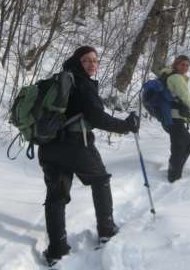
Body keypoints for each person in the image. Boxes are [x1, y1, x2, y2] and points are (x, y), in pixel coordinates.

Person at [38, 46, 139, 266]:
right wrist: (126, 126)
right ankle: (106, 229)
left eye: (95, 60)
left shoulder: (61, 81)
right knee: (100, 180)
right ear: (77, 62)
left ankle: (57, 250)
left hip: (49, 147)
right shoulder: (82, 84)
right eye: (86, 60)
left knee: (56, 196)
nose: (92, 64)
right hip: (76, 146)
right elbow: (97, 117)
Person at [159, 55, 190, 183]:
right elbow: (186, 98)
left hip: (171, 117)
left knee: (187, 143)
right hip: (174, 117)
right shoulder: (176, 78)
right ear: (176, 65)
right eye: (182, 64)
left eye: (187, 65)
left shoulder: (170, 76)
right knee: (180, 146)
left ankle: (175, 171)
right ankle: (173, 177)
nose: (185, 67)